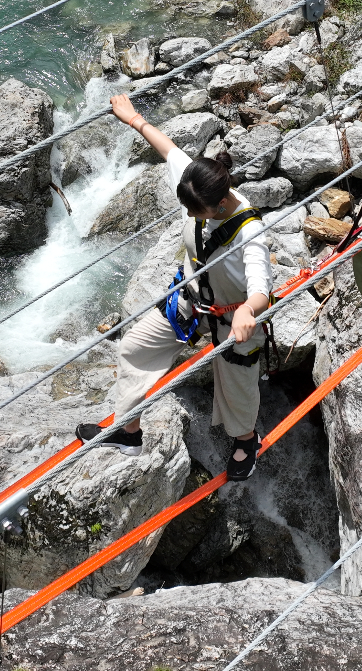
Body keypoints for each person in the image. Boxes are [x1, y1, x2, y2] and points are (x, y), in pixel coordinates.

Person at [76, 93, 273, 480]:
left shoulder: (250, 232)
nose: (190, 215)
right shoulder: (201, 182)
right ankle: (128, 432)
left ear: (219, 205)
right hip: (191, 300)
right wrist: (134, 119)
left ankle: (247, 440)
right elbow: (169, 150)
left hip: (234, 316)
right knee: (134, 347)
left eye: (195, 212)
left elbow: (260, 286)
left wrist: (249, 311)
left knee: (237, 377)